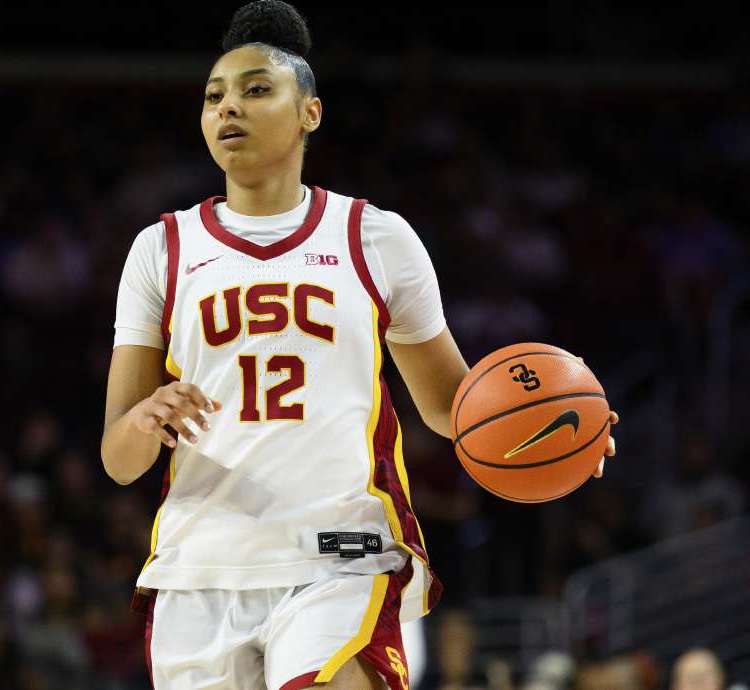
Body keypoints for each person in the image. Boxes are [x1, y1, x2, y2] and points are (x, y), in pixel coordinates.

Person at [100, 2, 619, 688]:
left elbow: (451, 406)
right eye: (214, 97)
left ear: (309, 112)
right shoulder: (160, 250)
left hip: (341, 553)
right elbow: (119, 460)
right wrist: (141, 420)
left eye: (257, 90)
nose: (229, 108)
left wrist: (555, 423)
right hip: (201, 566)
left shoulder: (376, 238)